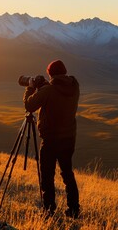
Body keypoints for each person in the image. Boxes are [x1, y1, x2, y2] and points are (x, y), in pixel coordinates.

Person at [23, 60, 80, 218]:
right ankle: (74, 210)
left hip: (51, 140)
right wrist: (47, 85)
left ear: (50, 74)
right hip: (69, 139)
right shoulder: (74, 86)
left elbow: (30, 105)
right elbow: (58, 92)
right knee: (67, 173)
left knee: (47, 176)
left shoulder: (49, 90)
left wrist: (31, 87)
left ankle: (49, 210)